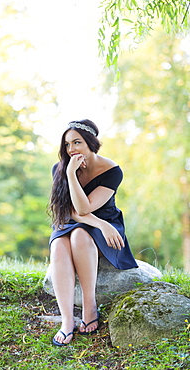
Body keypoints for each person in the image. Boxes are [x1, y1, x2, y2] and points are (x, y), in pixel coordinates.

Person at [48, 119, 138, 347]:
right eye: (67, 144)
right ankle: (67, 321)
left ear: (90, 142)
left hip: (104, 223)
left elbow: (85, 207)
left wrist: (103, 225)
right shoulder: (61, 169)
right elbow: (69, 210)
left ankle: (90, 306)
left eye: (77, 142)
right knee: (59, 244)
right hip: (72, 222)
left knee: (79, 236)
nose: (72, 150)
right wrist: (70, 174)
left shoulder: (112, 171)